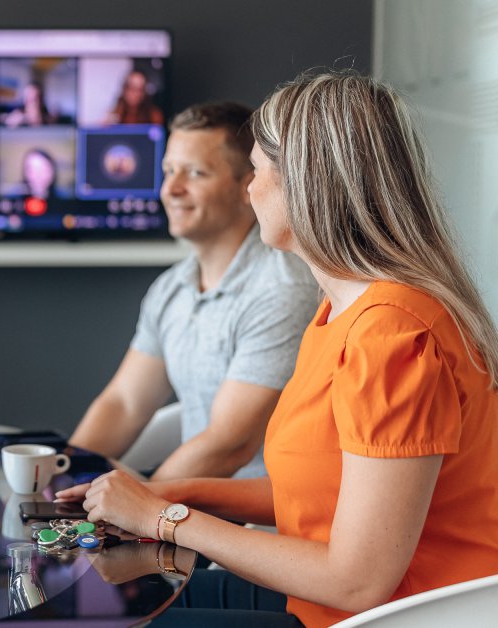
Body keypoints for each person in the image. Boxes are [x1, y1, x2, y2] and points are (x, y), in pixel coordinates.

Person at [58, 71, 498, 627]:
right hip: (322, 603)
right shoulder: (338, 312)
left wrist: (163, 517)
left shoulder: (391, 337)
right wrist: (166, 494)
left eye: (258, 171)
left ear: (308, 184)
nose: (249, 190)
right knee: (109, 611)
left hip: (378, 615)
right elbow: (320, 490)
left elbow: (357, 580)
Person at [70, 102, 319, 481]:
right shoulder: (171, 287)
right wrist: (61, 477)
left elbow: (229, 445)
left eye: (195, 173)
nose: (171, 189)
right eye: (168, 171)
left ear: (247, 187)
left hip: (259, 524)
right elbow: (124, 403)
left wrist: (141, 507)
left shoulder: (282, 289)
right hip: (192, 507)